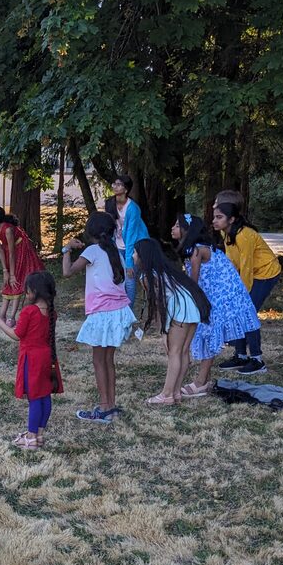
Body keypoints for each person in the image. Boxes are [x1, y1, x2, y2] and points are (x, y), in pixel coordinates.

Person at [172, 214, 261, 398]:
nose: (172, 228)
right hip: (217, 295)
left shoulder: (197, 250)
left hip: (222, 297)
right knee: (206, 333)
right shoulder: (194, 249)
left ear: (187, 230)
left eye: (176, 225)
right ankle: (204, 379)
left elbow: (193, 282)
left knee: (209, 334)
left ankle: (200, 382)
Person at [61, 212, 135, 423]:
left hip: (102, 313)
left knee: (98, 361)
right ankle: (110, 405)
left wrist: (66, 249)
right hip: (118, 311)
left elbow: (67, 272)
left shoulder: (92, 250)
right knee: (108, 360)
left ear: (90, 232)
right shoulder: (115, 253)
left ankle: (103, 409)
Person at [0, 271, 63, 450]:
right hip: (47, 357)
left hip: (33, 359)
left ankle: (30, 438)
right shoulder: (52, 313)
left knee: (34, 398)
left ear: (35, 291)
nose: (26, 294)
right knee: (45, 395)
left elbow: (16, 335)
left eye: (27, 291)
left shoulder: (29, 311)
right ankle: (39, 434)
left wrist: (0, 322)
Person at [132, 239, 212, 405]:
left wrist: (163, 332)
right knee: (182, 352)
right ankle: (175, 393)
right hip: (192, 306)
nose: (133, 256)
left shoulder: (148, 276)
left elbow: (158, 305)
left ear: (143, 256)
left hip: (179, 308)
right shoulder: (165, 271)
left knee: (174, 352)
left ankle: (166, 395)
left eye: (135, 252)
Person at [213, 201, 281, 375]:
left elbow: (247, 266)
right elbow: (232, 260)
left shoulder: (245, 235)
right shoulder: (225, 232)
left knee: (247, 312)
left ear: (232, 219)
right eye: (214, 217)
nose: (214, 220)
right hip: (249, 274)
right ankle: (241, 355)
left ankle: (257, 360)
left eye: (219, 217)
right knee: (237, 312)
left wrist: (241, 293)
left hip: (266, 273)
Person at [0, 204, 44, 326]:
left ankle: (12, 317)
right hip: (9, 251)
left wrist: (12, 274)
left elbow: (12, 254)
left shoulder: (8, 229)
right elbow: (0, 250)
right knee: (9, 280)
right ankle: (2, 315)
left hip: (21, 250)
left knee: (17, 280)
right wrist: (5, 271)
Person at [104, 175, 150, 308]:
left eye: (119, 184)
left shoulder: (133, 208)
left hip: (134, 246)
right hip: (118, 244)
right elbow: (109, 227)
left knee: (130, 278)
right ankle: (119, 308)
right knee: (118, 276)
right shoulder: (110, 203)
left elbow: (131, 235)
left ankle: (128, 312)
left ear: (126, 189)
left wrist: (130, 262)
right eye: (114, 184)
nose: (115, 186)